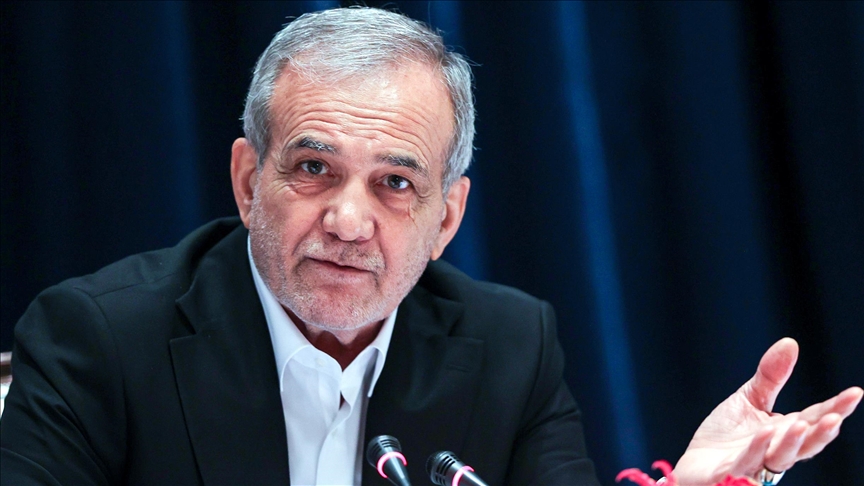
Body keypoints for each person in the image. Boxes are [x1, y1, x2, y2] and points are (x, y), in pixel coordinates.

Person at [1, 7, 860, 486]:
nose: (348, 221)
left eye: (395, 183)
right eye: (313, 168)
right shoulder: (98, 339)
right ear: (247, 180)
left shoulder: (508, 345)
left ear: (446, 219)